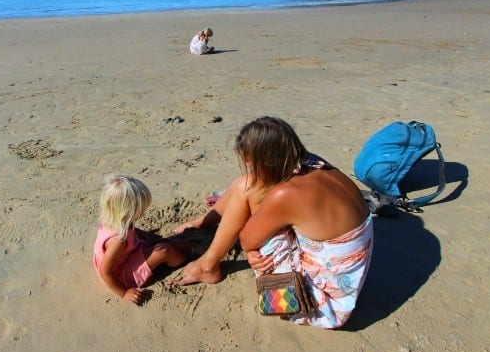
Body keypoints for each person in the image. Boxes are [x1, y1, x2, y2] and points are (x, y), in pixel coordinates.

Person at [174, 117, 373, 329]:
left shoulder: (285, 194)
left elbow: (247, 239)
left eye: (250, 162)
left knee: (246, 188)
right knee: (247, 182)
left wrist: (250, 250)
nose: (248, 166)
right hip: (347, 267)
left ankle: (207, 266)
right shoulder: (313, 163)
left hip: (324, 302)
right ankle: (203, 222)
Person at [93, 175, 187, 304]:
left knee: (165, 243)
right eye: (141, 209)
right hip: (120, 275)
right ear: (127, 212)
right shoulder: (117, 241)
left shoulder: (113, 217)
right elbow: (105, 273)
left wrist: (142, 234)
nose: (143, 212)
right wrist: (124, 292)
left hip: (124, 256)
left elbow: (131, 230)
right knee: (164, 250)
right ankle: (185, 261)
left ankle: (183, 250)